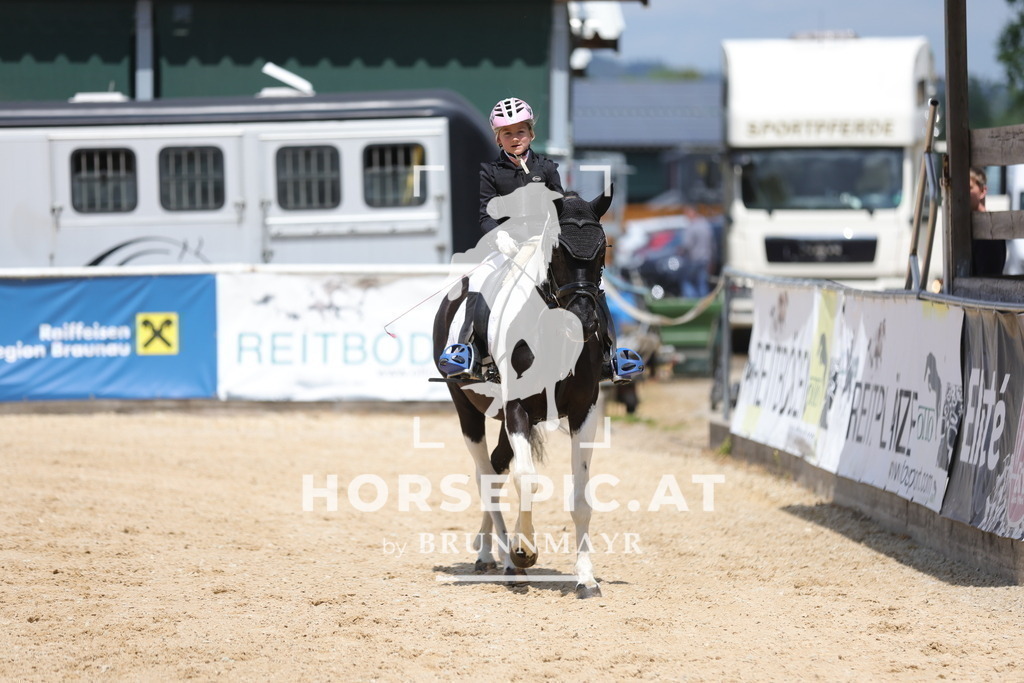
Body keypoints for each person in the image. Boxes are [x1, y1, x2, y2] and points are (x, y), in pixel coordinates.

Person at [438, 97, 643, 383]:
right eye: (507, 133)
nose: (515, 138)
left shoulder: (546, 168)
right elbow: (485, 215)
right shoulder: (490, 171)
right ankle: (468, 349)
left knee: (592, 285)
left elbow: (562, 208)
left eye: (520, 132)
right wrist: (500, 237)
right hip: (507, 246)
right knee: (479, 280)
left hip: (545, 246)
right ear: (498, 138)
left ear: (531, 134)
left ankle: (610, 356)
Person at [970, 166, 1006, 275]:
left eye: (969, 188)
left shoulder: (989, 229)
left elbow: (989, 277)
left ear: (982, 191)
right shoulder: (971, 225)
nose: (962, 193)